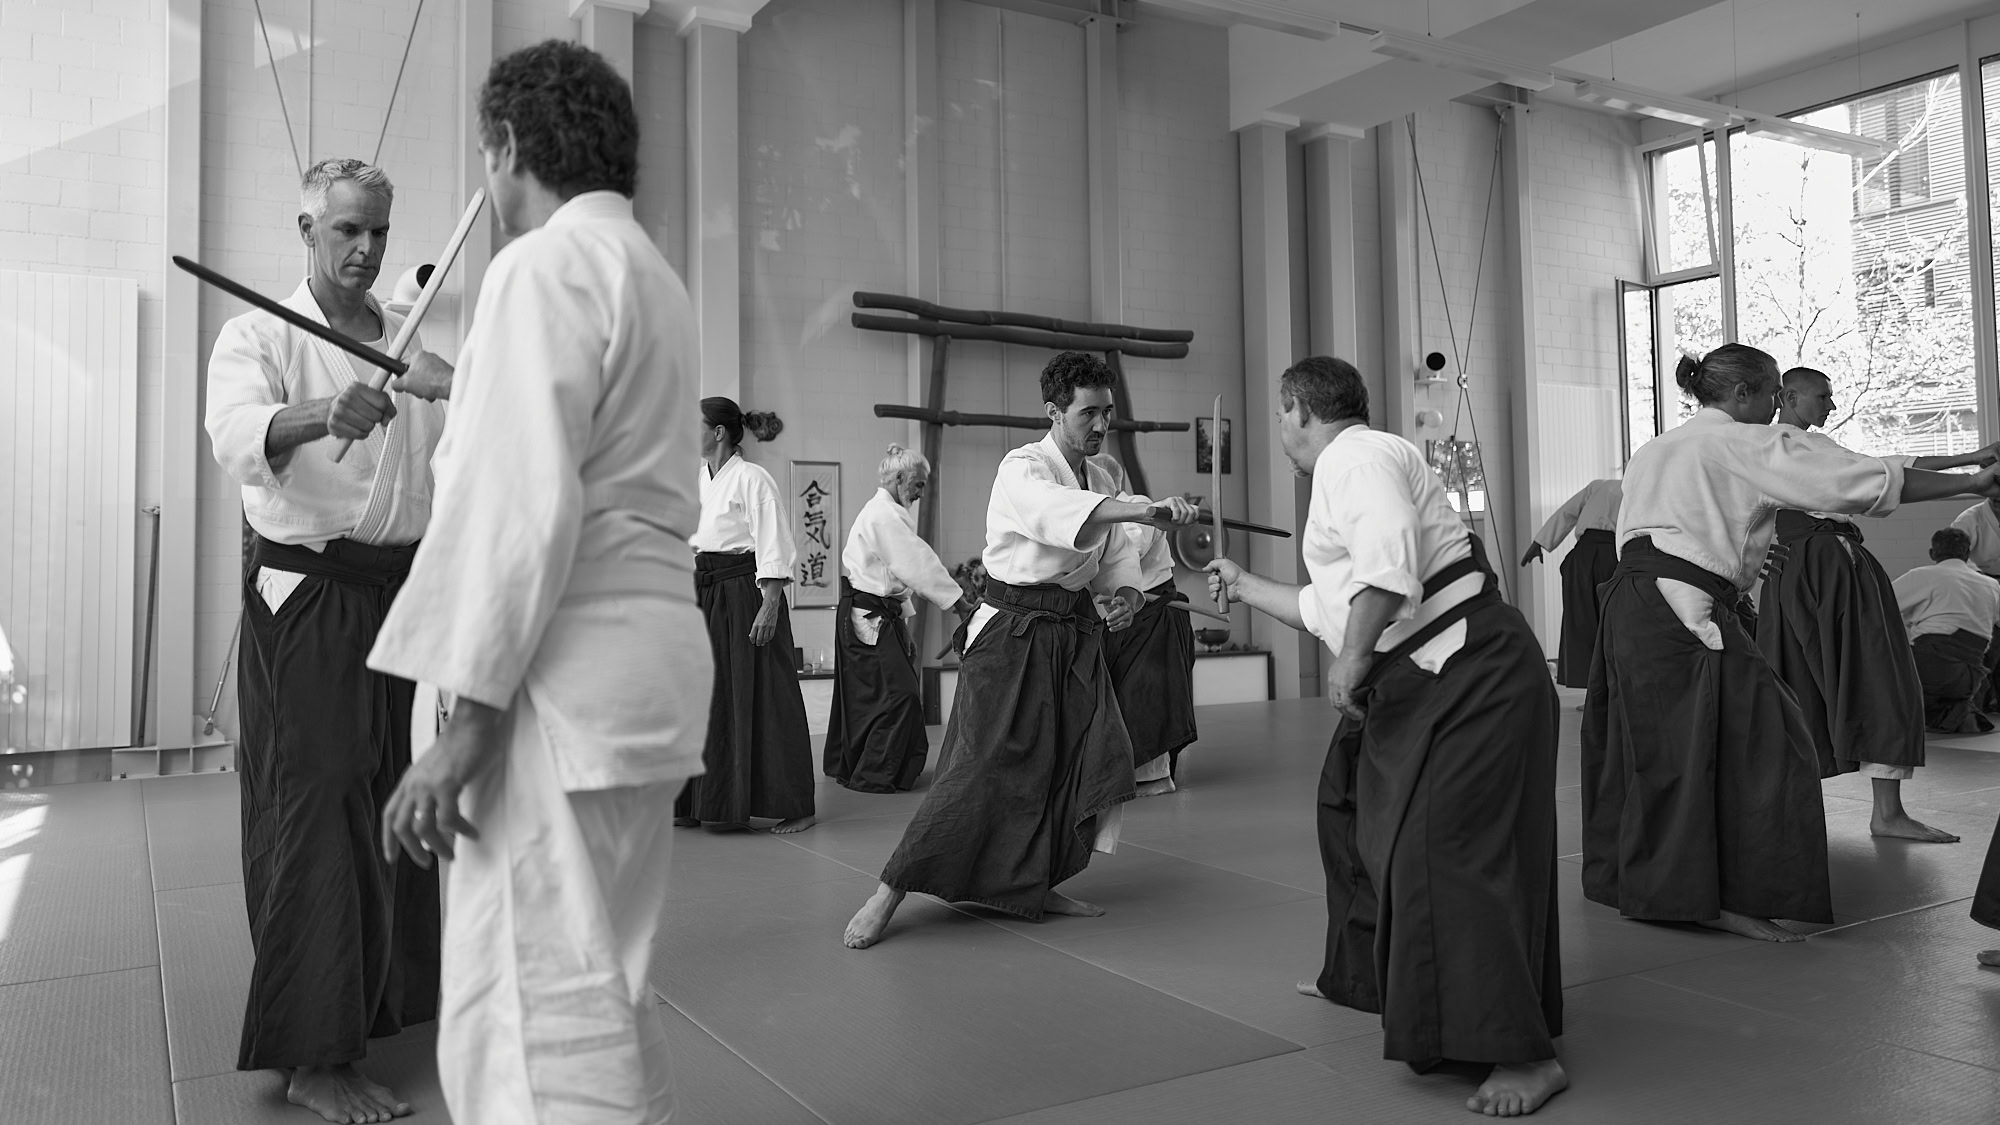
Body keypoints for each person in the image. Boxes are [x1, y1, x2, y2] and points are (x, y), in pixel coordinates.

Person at [366, 40, 710, 1124]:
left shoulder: (541, 267)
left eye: (487, 154)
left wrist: (466, 727)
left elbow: (517, 503)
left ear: (510, 145)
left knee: (531, 1019)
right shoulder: (653, 277)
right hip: (644, 669)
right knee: (600, 978)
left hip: (556, 683)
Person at [1205, 356, 1565, 1118]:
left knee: (1448, 848)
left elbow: (1388, 566)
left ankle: (1524, 1052)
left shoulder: (1354, 456)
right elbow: (1329, 603)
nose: (1282, 429)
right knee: (1346, 810)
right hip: (1432, 672)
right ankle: (1366, 975)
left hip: (1469, 673)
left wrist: (1353, 659)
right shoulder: (1357, 466)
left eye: (1281, 415)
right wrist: (1242, 585)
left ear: (1299, 410)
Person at [1582, 344, 2000, 948]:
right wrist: (1974, 481)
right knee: (1766, 743)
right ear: (1744, 394)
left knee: (1662, 747)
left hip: (1634, 602)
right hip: (1684, 608)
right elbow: (1856, 481)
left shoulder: (1656, 447)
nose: (1777, 402)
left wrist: (1740, 571)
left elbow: (1671, 528)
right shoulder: (1742, 442)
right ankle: (1718, 898)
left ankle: (1661, 887)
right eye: (1773, 391)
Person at [205, 155, 454, 1125]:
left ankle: (379, 999)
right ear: (306, 229)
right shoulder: (259, 333)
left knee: (396, 791)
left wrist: (454, 384)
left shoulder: (411, 339)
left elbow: (461, 452)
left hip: (400, 591)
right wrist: (319, 415)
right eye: (347, 229)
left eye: (379, 231)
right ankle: (312, 1053)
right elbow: (234, 433)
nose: (366, 248)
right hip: (309, 594)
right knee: (317, 799)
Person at [842, 351, 1198, 949]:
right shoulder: (1023, 467)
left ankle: (1037, 882)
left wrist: (1127, 597)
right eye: (1088, 413)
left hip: (1074, 634)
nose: (1101, 424)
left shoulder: (1102, 477)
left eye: (1107, 412)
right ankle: (891, 889)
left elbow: (1116, 557)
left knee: (1071, 762)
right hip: (1013, 632)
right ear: (1054, 411)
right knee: (977, 765)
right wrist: (1149, 509)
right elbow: (1059, 516)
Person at [1757, 367, 1995, 844]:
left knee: (1801, 678)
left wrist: (1970, 460)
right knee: (1869, 675)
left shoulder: (1803, 446)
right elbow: (1884, 476)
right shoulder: (1771, 445)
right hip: (1822, 563)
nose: (1831, 405)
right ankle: (1876, 813)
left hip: (1800, 568)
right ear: (1789, 396)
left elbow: (1886, 467)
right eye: (1823, 396)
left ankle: (1810, 813)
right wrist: (1973, 478)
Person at [680, 398, 816, 832]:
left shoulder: (753, 479)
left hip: (745, 593)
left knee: (767, 694)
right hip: (703, 591)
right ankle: (702, 801)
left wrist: (769, 605)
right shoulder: (696, 479)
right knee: (705, 695)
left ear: (718, 432)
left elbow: (774, 544)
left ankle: (797, 805)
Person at [824, 444, 973, 793]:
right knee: (897, 695)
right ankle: (873, 773)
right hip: (866, 615)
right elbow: (916, 562)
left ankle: (872, 767)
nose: (920, 493)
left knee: (877, 694)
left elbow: (895, 578)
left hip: (879, 613)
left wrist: (905, 626)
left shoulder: (890, 512)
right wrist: (958, 603)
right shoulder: (882, 514)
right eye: (918, 484)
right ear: (900, 478)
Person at [1091, 452, 1198, 795]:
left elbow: (1128, 547)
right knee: (1116, 695)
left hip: (1155, 617)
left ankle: (1154, 778)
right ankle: (1118, 772)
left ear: (1108, 483)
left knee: (1145, 696)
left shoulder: (1138, 507)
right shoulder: (1095, 515)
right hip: (1126, 616)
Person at [1894, 529, 2000, 735]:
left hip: (1931, 667)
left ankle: (1955, 713)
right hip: (1973, 676)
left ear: (1932, 553)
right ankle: (1962, 711)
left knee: (1883, 668)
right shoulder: (1991, 585)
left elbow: (1878, 603)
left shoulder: (1922, 576)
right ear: (1967, 554)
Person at [1520, 476, 1620, 690]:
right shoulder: (1636, 487)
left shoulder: (1599, 485)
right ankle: (1607, 694)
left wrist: (1540, 542)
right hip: (1612, 557)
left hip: (1581, 557)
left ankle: (1593, 694)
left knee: (1581, 623)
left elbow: (1567, 512)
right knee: (1614, 626)